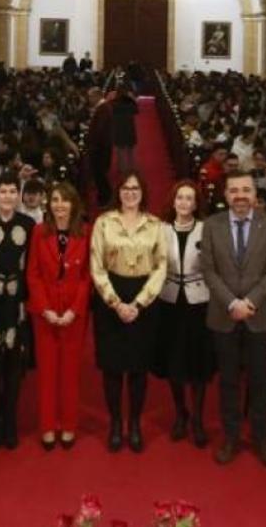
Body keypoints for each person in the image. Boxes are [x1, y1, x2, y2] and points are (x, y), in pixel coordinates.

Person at [197, 170, 266, 468]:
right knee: (229, 382)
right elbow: (208, 271)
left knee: (260, 381)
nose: (241, 196)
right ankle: (231, 437)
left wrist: (250, 302)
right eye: (234, 191)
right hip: (224, 314)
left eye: (246, 190)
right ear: (226, 195)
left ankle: (262, 439)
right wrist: (233, 302)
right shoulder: (211, 225)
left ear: (255, 194)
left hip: (260, 315)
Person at [90, 169, 167, 453]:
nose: (130, 193)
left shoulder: (155, 224)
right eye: (125, 188)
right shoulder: (103, 223)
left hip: (143, 298)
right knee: (112, 368)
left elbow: (161, 267)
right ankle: (114, 423)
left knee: (137, 368)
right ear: (118, 192)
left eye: (135, 188)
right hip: (111, 296)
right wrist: (114, 301)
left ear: (143, 192)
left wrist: (138, 303)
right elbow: (96, 266)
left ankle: (134, 424)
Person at [27, 182, 91, 450]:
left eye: (65, 200)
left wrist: (74, 310)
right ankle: (47, 426)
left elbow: (88, 276)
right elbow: (33, 274)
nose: (60, 205)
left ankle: (68, 425)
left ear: (74, 204)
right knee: (47, 371)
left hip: (73, 314)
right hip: (45, 313)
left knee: (70, 372)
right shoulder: (39, 232)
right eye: (55, 200)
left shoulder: (85, 233)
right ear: (49, 204)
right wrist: (45, 309)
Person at [0, 173, 37, 450]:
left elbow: (33, 268)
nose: (9, 196)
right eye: (4, 191)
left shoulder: (29, 225)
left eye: (13, 191)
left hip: (17, 302)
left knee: (14, 364)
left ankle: (10, 421)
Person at [153, 179, 214, 448]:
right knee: (174, 361)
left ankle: (198, 418)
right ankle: (181, 413)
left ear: (196, 203)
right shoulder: (161, 229)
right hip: (168, 300)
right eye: (180, 198)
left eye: (190, 199)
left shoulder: (206, 229)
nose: (184, 203)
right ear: (173, 201)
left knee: (197, 362)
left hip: (198, 300)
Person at [111, 87, 139, 175]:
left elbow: (110, 112)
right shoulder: (129, 102)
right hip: (129, 127)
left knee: (120, 149)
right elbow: (136, 110)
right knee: (130, 149)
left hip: (119, 128)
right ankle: (131, 167)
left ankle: (122, 168)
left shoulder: (113, 103)